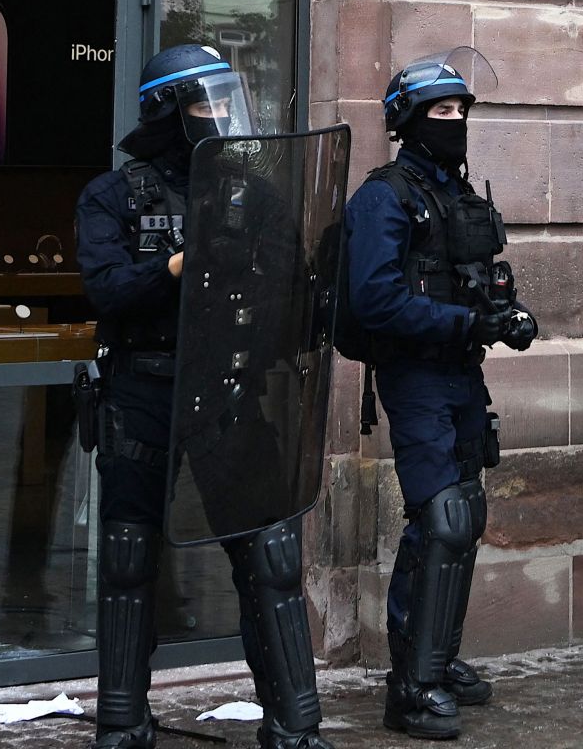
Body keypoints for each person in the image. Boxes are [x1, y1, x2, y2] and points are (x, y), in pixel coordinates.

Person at [75, 44, 334, 749]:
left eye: (226, 101)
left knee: (270, 558)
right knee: (130, 562)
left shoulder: (253, 196)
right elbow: (106, 289)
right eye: (203, 104)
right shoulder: (113, 197)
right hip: (143, 393)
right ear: (166, 112)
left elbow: (294, 285)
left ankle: (296, 728)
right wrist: (178, 264)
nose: (220, 117)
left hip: (229, 397)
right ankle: (124, 724)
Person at [343, 49, 537, 740]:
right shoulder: (382, 197)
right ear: (409, 120)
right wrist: (467, 320)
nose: (453, 123)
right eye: (440, 112)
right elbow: (374, 301)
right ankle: (411, 688)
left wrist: (504, 317)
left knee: (463, 517)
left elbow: (477, 281)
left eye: (459, 111)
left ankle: (437, 657)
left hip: (461, 372)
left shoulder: (457, 196)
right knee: (442, 519)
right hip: (415, 374)